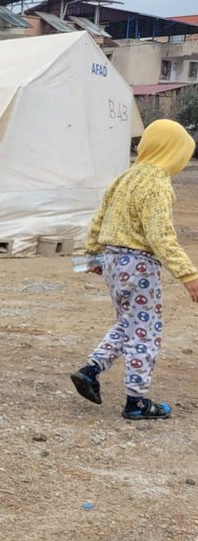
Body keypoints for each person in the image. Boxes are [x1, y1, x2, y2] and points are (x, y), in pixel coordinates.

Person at [72, 119, 198, 420]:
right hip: (140, 265)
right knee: (145, 332)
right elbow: (160, 236)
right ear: (172, 153)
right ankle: (137, 401)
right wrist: (188, 275)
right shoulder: (157, 183)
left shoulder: (125, 177)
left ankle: (90, 370)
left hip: (114, 262)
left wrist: (92, 257)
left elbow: (99, 219)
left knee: (129, 324)